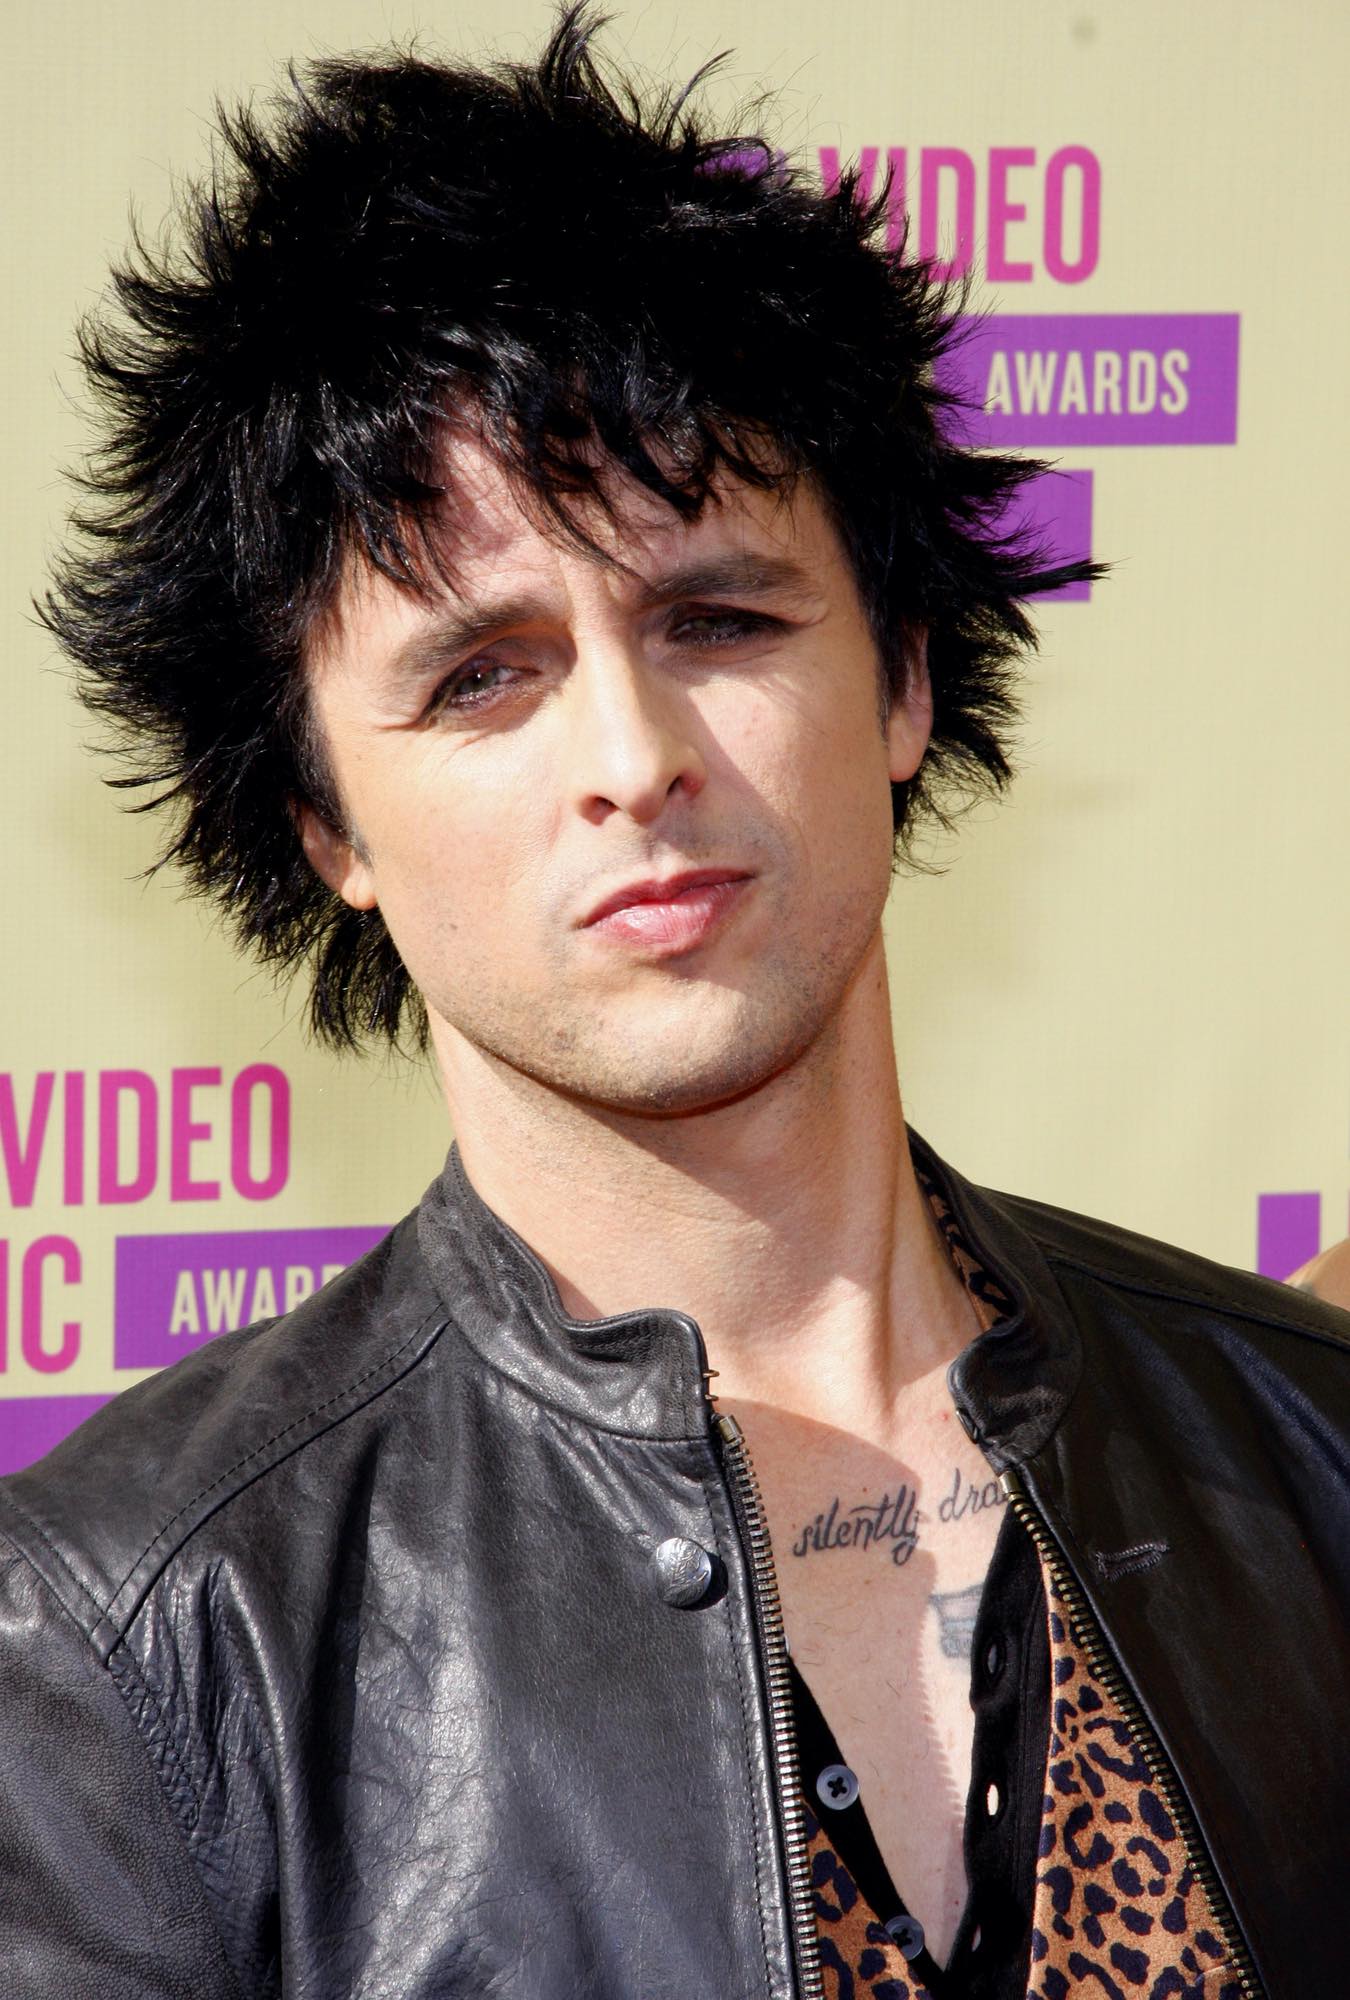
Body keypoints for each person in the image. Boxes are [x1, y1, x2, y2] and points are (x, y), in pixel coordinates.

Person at [3, 15, 1346, 1998]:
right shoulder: (134, 1643)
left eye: (715, 619)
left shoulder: (1309, 1444)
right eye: (482, 675)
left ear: (900, 681)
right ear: (326, 823)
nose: (634, 757)